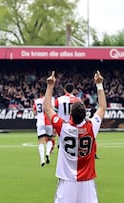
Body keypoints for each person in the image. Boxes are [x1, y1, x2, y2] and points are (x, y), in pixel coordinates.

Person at [43, 71, 106, 203]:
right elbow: (102, 108)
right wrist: (99, 85)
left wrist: (50, 86)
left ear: (70, 114)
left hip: (66, 180)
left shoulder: (63, 127)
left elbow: (48, 108)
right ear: (85, 115)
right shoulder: (91, 127)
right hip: (87, 181)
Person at [33, 88, 54, 167]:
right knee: (49, 139)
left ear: (40, 94)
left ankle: (42, 160)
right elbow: (52, 110)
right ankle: (48, 153)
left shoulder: (36, 101)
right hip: (48, 122)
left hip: (40, 122)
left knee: (41, 141)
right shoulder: (50, 100)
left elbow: (34, 113)